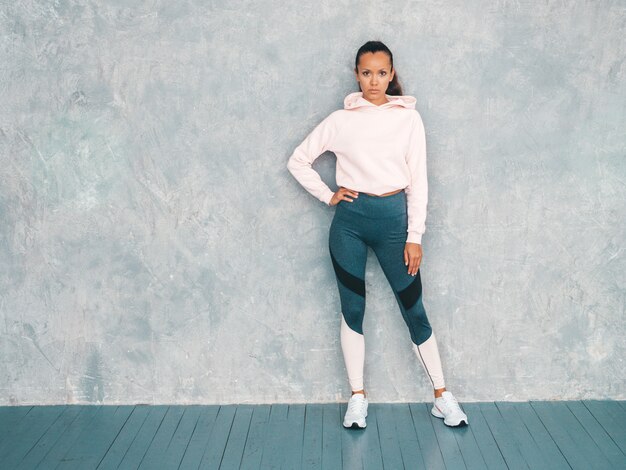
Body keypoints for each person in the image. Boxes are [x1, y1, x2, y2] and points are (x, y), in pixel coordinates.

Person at [287, 40, 468, 429]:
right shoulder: (340, 120)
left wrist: (414, 235)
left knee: (414, 308)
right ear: (357, 75)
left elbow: (418, 182)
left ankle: (442, 396)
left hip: (394, 225)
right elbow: (298, 160)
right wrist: (328, 194)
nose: (374, 80)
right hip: (349, 224)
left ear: (392, 74)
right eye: (366, 72)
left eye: (382, 73)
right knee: (353, 311)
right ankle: (357, 398)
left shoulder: (408, 119)